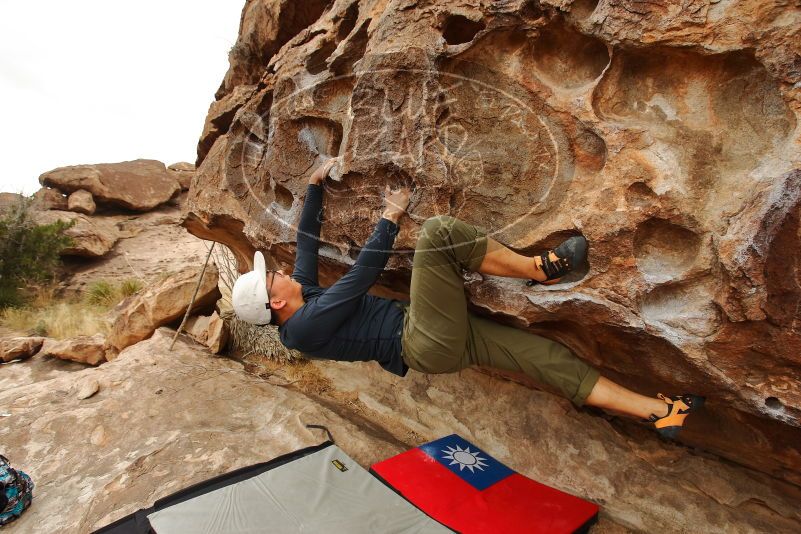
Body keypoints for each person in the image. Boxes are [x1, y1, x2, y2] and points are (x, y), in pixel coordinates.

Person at [232, 157, 705, 439]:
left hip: (434, 336)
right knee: (437, 235)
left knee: (545, 357)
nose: (277, 271)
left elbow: (306, 245)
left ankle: (661, 413)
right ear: (276, 304)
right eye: (270, 277)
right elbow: (359, 278)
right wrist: (391, 216)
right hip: (422, 339)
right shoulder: (303, 328)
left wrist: (314, 186)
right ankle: (538, 270)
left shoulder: (301, 296)